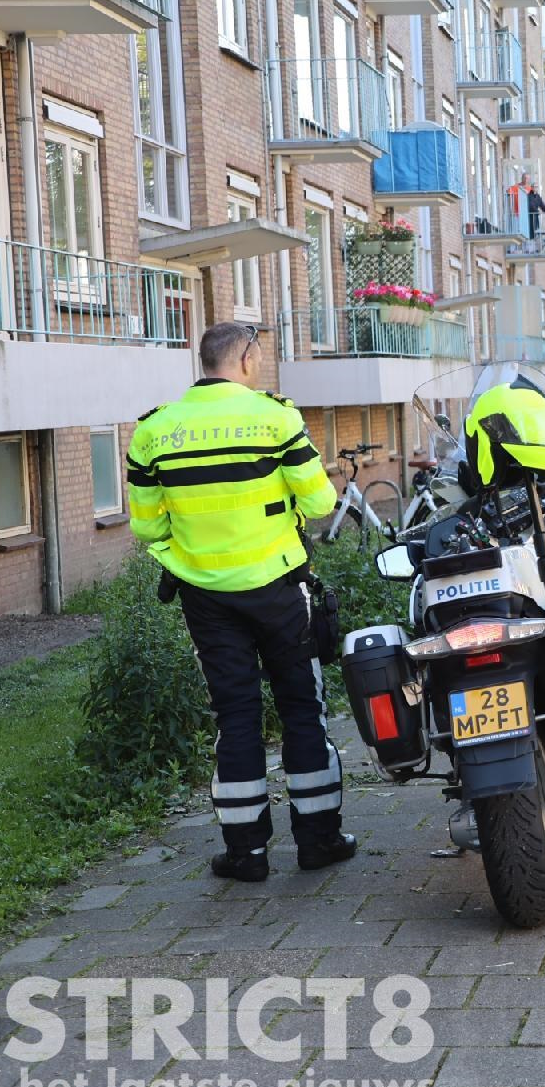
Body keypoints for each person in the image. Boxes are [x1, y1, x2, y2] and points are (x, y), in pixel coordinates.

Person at [126, 322, 356, 883]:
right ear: (248, 360)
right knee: (303, 707)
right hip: (279, 589)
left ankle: (246, 853)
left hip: (206, 598)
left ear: (201, 362)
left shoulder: (153, 432)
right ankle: (319, 840)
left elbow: (146, 525)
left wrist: (188, 559)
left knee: (235, 716)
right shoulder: (276, 418)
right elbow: (321, 500)